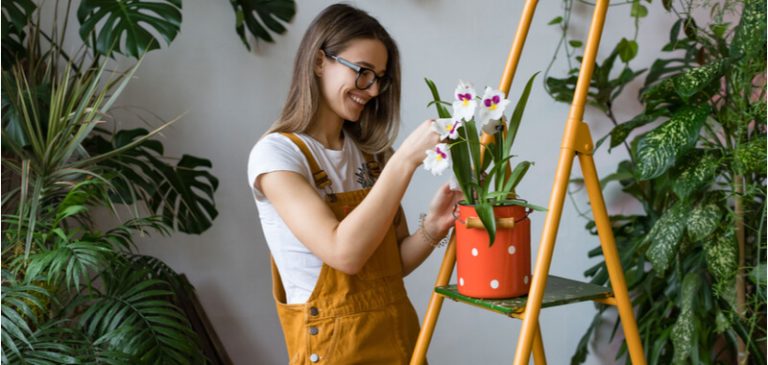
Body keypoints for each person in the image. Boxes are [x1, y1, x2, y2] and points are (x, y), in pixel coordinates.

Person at [247, 3, 462, 363]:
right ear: (319, 62)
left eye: (380, 77)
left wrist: (434, 228)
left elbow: (392, 265)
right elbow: (344, 254)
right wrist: (406, 160)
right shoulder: (277, 156)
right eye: (363, 72)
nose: (373, 90)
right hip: (336, 349)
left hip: (400, 338)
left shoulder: (373, 155)